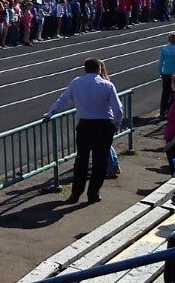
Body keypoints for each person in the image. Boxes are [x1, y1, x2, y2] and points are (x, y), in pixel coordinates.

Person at [42, 57, 124, 205]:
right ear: (99, 69)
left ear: (85, 69)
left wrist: (50, 112)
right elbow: (118, 109)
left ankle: (75, 194)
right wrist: (116, 125)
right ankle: (93, 193)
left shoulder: (76, 82)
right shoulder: (107, 85)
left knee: (81, 160)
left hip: (85, 126)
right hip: (104, 126)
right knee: (99, 162)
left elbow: (63, 99)